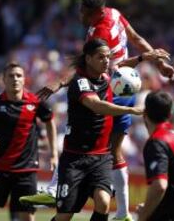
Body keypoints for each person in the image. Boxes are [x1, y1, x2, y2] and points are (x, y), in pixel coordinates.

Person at [30, 0, 174, 221]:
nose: (80, 15)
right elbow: (136, 38)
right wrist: (158, 63)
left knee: (78, 126)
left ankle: (55, 187)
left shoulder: (101, 32)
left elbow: (107, 68)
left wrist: (61, 82)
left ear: (95, 12)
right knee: (114, 150)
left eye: (84, 12)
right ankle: (123, 212)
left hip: (113, 87)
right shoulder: (114, 13)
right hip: (127, 86)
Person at [50, 39, 149, 221]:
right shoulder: (80, 83)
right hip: (75, 158)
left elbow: (124, 64)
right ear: (88, 59)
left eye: (108, 57)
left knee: (103, 203)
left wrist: (145, 57)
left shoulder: (108, 78)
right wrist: (131, 110)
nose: (106, 61)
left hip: (101, 157)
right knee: (65, 215)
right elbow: (96, 106)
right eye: (101, 57)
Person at [0, 62, 58, 221]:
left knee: (27, 218)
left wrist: (54, 154)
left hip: (26, 171)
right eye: (11, 76)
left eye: (19, 76)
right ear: (3, 79)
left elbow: (50, 122)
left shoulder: (35, 102)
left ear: (24, 79)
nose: (15, 79)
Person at [135, 91, 174, 221]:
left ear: (144, 113)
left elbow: (160, 185)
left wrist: (144, 215)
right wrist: (150, 207)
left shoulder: (157, 142)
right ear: (169, 115)